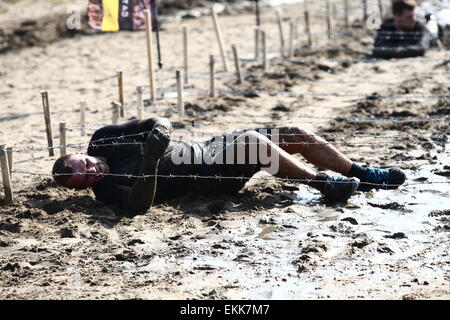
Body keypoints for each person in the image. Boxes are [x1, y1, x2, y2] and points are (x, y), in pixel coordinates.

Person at [52, 117, 406, 216]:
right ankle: (321, 185)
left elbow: (154, 121)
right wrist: (148, 163)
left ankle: (362, 173)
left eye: (84, 164)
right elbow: (137, 207)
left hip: (209, 146)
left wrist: (161, 131)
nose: (92, 170)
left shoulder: (102, 138)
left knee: (293, 133)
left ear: (79, 153)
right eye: (85, 179)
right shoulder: (108, 190)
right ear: (84, 187)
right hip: (207, 177)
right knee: (253, 142)